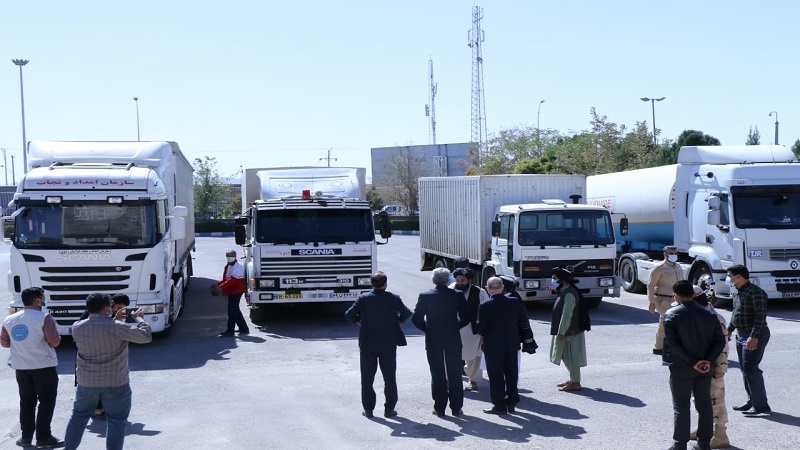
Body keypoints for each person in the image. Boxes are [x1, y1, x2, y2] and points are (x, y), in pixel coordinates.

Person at [64, 293, 153, 450]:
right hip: (116, 383)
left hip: (87, 383)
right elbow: (145, 336)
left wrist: (116, 319)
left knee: (78, 418)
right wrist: (139, 318)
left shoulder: (77, 327)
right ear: (107, 309)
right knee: (117, 422)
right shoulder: (116, 327)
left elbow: (101, 334)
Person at [663, 280, 725, 450]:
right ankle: (704, 443)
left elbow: (673, 345)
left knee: (681, 406)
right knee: (704, 404)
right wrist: (706, 361)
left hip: (682, 368)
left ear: (676, 295)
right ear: (693, 294)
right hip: (705, 367)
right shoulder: (709, 315)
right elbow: (719, 342)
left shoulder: (671, 314)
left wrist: (693, 363)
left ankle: (680, 444)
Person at [1, 287, 64, 449]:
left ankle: (26, 437)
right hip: (44, 366)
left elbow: (5, 342)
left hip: (21, 368)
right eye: (43, 297)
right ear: (37, 300)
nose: (44, 300)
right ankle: (43, 437)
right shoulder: (44, 318)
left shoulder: (10, 319)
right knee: (46, 402)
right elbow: (54, 341)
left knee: (27, 402)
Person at [344, 272, 412, 419]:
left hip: (368, 343)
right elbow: (407, 313)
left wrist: (358, 321)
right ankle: (389, 409)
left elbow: (349, 314)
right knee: (389, 377)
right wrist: (398, 321)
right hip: (388, 342)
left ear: (371, 284)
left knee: (367, 378)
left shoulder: (364, 298)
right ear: (385, 284)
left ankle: (368, 409)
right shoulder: (393, 298)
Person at [412, 267, 470, 417]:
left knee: (437, 374)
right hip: (453, 339)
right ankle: (456, 408)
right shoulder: (457, 295)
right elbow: (466, 317)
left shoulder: (425, 296)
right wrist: (455, 327)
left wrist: (428, 329)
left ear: (433, 280)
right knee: (455, 374)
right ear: (447, 280)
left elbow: (416, 319)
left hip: (433, 339)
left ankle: (439, 408)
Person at [476, 277, 535, 415]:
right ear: (502, 288)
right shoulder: (514, 302)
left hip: (493, 346)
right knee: (511, 374)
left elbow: (480, 328)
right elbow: (521, 321)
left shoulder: (485, 306)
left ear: (487, 288)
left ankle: (499, 405)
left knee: (496, 376)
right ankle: (512, 401)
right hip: (511, 343)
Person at [76, 293, 133, 419]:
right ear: (111, 303)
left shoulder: (109, 315)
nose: (120, 310)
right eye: (119, 307)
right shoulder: (93, 316)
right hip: (91, 353)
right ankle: (97, 409)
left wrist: (116, 319)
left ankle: (99, 408)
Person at [726, 264, 771, 415]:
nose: (729, 279)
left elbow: (760, 316)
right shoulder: (738, 292)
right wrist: (730, 329)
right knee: (745, 368)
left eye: (730, 275)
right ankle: (751, 401)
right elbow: (736, 313)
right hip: (741, 333)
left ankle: (760, 405)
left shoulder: (756, 292)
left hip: (753, 334)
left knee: (751, 368)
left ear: (738, 276)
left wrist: (754, 336)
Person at [690, 286, 730, 449]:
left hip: (714, 367)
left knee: (716, 400)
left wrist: (720, 369)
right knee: (700, 399)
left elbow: (723, 346)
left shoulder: (715, 317)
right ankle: (703, 428)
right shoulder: (698, 314)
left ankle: (721, 435)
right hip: (700, 367)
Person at [549, 268, 590, 392]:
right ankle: (572, 379)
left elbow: (567, 315)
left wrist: (561, 332)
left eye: (555, 279)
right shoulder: (564, 291)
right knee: (566, 356)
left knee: (571, 357)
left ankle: (575, 382)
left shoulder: (569, 294)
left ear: (563, 280)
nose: (553, 281)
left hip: (569, 332)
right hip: (567, 331)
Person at [451, 267, 489, 392]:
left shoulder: (480, 292)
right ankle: (448, 380)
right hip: (454, 330)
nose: (460, 283)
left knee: (475, 357)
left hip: (473, 330)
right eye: (458, 280)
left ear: (469, 280)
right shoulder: (451, 289)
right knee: (451, 357)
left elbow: (486, 309)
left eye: (463, 280)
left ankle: (473, 381)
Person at [648, 245, 684, 355]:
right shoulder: (659, 268)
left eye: (675, 253)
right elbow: (650, 285)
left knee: (668, 323)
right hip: (663, 299)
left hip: (676, 299)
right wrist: (651, 302)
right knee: (667, 321)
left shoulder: (678, 267)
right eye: (671, 253)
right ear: (665, 254)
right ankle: (661, 347)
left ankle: (663, 346)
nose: (673, 255)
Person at [216, 249, 250, 337]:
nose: (229, 257)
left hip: (236, 290)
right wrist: (218, 284)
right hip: (232, 290)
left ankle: (230, 330)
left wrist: (221, 286)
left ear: (234, 256)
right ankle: (244, 328)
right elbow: (226, 278)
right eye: (228, 256)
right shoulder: (229, 265)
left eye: (231, 256)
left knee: (232, 310)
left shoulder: (237, 266)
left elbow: (233, 280)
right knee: (235, 309)